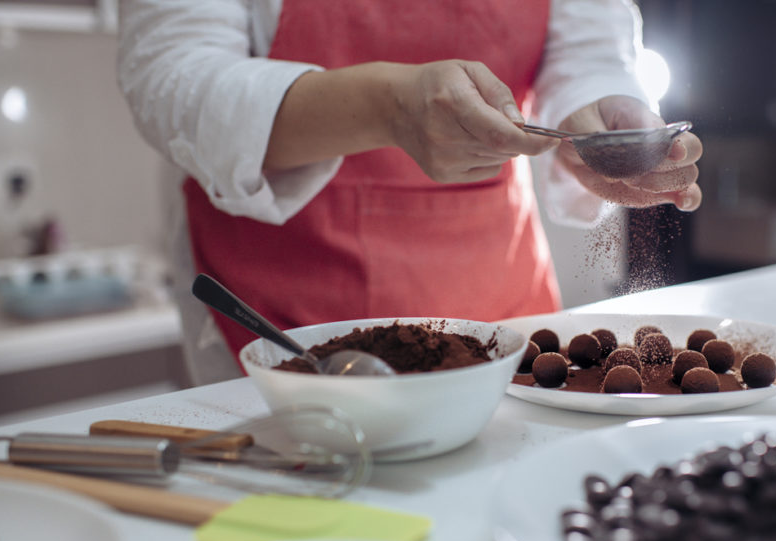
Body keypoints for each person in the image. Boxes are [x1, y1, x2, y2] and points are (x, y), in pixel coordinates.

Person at [116, 0, 703, 385]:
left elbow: (588, 49)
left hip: (498, 292)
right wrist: (388, 107)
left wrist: (596, 120)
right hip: (280, 311)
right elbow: (172, 76)